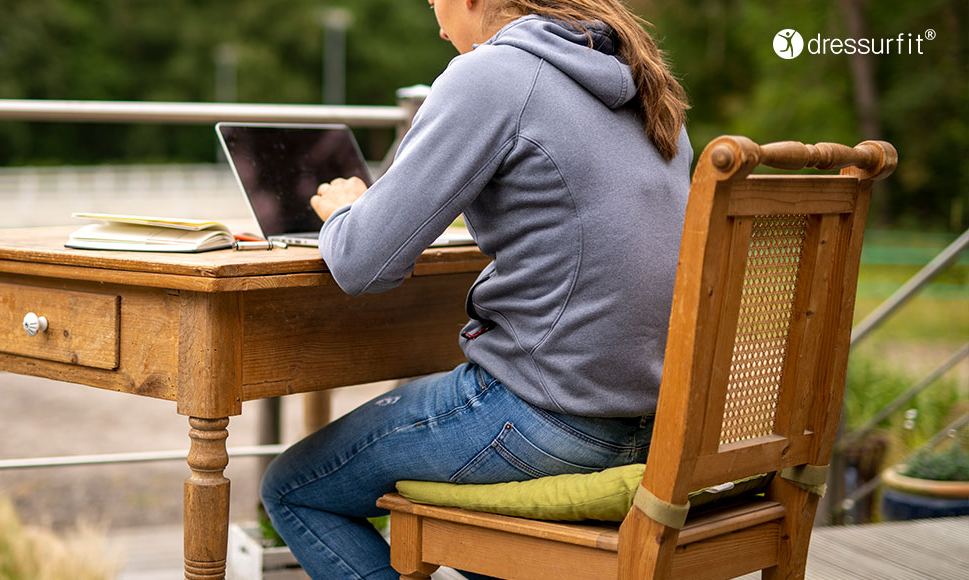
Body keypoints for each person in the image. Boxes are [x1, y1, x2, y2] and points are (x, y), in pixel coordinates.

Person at [260, 0, 692, 577]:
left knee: (295, 488)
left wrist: (344, 213)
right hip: (660, 427)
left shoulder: (492, 74)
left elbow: (363, 263)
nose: (436, 23)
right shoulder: (641, 81)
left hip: (554, 421)